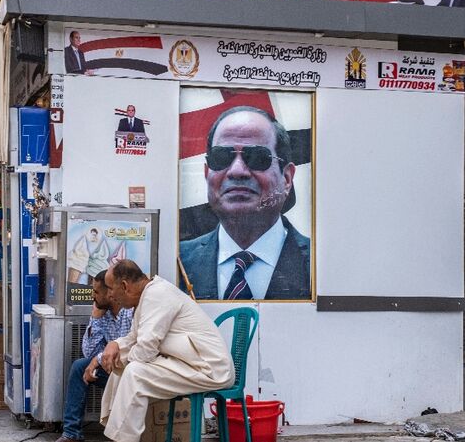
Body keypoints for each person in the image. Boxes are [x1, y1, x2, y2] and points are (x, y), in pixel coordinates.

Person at [179, 106, 311, 300]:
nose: (237, 171)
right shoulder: (176, 263)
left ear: (287, 179)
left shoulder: (322, 266)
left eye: (257, 157)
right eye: (222, 157)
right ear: (207, 174)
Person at [98, 260, 233, 442]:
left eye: (111, 288)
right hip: (189, 363)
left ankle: (123, 438)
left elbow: (145, 350)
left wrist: (124, 357)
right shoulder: (148, 295)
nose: (110, 295)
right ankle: (120, 434)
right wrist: (115, 345)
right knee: (121, 368)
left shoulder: (157, 295)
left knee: (135, 372)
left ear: (125, 286)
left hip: (209, 369)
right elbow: (134, 339)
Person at [57, 270, 133, 442]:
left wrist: (97, 359)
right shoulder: (102, 313)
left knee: (91, 364)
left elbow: (127, 349)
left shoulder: (129, 312)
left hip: (129, 371)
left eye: (97, 292)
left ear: (110, 293)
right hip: (111, 369)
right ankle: (71, 433)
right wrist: (95, 318)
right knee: (79, 366)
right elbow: (89, 353)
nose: (93, 296)